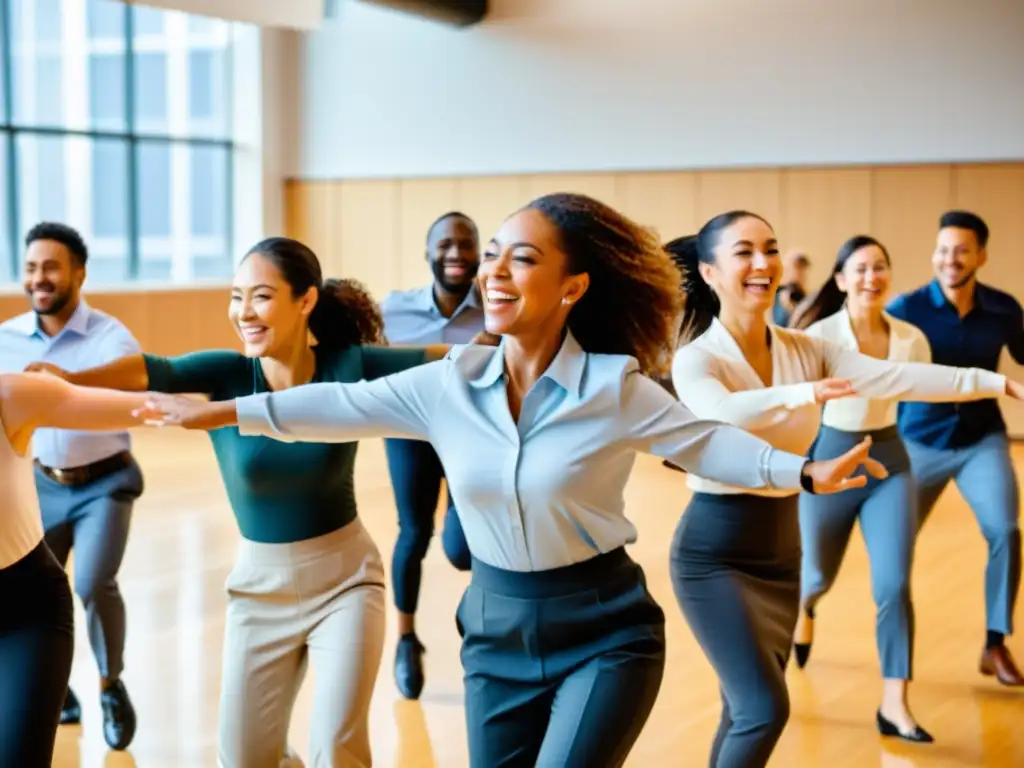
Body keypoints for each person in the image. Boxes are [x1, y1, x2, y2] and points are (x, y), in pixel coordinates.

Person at [135, 193, 887, 768]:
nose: (493, 271)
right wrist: (217, 411)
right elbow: (334, 403)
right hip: (493, 629)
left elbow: (705, 443)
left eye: (520, 259)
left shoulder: (613, 387)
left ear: (572, 287)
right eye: (492, 255)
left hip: (604, 629)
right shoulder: (447, 385)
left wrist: (805, 471)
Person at [28, 237, 447, 768]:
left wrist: (513, 344)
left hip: (346, 582)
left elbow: (447, 362)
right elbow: (156, 370)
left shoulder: (349, 364)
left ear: (306, 300)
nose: (244, 312)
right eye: (235, 296)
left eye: (262, 296)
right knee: (245, 760)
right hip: (258, 590)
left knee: (336, 751)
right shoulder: (227, 373)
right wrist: (70, 380)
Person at [667, 215, 1020, 767]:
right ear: (710, 271)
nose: (763, 263)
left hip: (781, 548)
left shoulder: (807, 348)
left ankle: (893, 700)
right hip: (714, 551)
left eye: (771, 249)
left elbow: (903, 378)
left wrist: (993, 382)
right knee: (764, 708)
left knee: (742, 711)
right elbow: (720, 413)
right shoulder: (697, 359)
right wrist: (803, 394)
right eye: (744, 253)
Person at [789, 234, 1024, 742]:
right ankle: (804, 611)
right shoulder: (818, 336)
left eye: (880, 267)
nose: (872, 277)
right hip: (830, 460)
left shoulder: (910, 337)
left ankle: (895, 703)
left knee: (893, 584)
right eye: (861, 269)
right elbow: (791, 404)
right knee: (816, 577)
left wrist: (997, 384)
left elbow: (937, 382)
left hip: (889, 461)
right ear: (841, 280)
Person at [0, 222, 143, 750]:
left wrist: (55, 385)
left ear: (78, 273)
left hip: (103, 484)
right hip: (42, 490)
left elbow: (136, 388)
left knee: (90, 583)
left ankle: (109, 684)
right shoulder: (6, 338)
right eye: (32, 267)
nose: (40, 278)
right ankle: (49, 691)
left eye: (52, 266)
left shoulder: (110, 337)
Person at [886, 210, 1024, 686]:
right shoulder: (906, 310)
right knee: (896, 548)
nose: (951, 259)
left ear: (981, 255)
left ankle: (994, 643)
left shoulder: (1005, 310)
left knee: (1005, 531)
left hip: (981, 438)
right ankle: (889, 664)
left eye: (962, 249)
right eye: (943, 249)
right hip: (919, 441)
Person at [0, 372, 157, 767]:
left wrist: (244, 403)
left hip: (24, 614)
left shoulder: (9, 395)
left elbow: (150, 406)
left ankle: (109, 682)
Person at [379, 211, 480, 699]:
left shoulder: (498, 309)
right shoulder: (393, 311)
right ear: (428, 254)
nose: (456, 253)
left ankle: (482, 622)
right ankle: (404, 639)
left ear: (480, 253)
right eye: (445, 244)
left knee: (464, 548)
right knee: (413, 533)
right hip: (410, 436)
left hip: (471, 440)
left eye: (466, 244)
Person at [772, 250, 810, 326]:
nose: (799, 273)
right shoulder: (774, 294)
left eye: (802, 269)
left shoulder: (805, 297)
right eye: (796, 267)